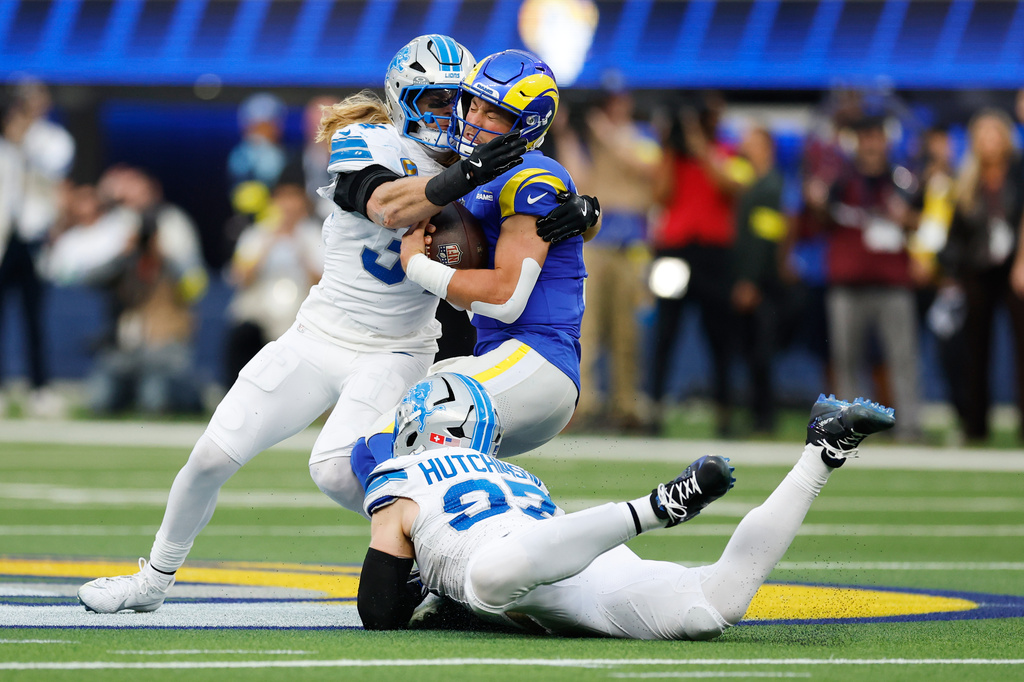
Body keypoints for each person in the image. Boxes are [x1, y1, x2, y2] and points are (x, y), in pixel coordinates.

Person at [75, 35, 595, 614]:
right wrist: (465, 175)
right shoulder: (370, 141)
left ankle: (449, 556)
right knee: (210, 458)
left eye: (459, 101)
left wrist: (580, 215)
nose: (452, 116)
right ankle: (154, 578)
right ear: (403, 100)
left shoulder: (478, 164)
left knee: (336, 467)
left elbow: (531, 208)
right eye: (436, 101)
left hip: (397, 351)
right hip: (317, 334)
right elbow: (388, 206)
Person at [355, 372, 895, 638]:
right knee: (713, 609)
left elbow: (377, 611)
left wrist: (429, 595)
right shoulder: (516, 472)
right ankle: (821, 452)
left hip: (522, 562)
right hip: (581, 561)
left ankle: (657, 507)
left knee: (489, 579)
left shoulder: (399, 473)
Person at [824, 115, 922, 442]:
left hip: (893, 282)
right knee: (847, 359)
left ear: (886, 140)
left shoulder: (903, 179)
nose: (870, 143)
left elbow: (927, 221)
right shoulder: (839, 180)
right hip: (848, 283)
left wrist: (908, 219)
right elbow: (817, 220)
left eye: (875, 136)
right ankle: (851, 430)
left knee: (902, 358)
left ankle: (908, 426)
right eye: (864, 136)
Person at [944, 109, 1024, 441]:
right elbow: (956, 232)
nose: (989, 142)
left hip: (1015, 269)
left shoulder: (1019, 173)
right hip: (977, 271)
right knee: (975, 351)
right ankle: (975, 425)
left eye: (995, 134)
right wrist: (950, 272)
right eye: (983, 135)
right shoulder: (966, 180)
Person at [0, 79, 75, 417]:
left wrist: (23, 137)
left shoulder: (52, 139)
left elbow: (54, 173)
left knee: (34, 318)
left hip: (34, 238)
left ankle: (39, 388)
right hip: (4, 236)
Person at [223, 181, 324, 384]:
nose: (288, 205)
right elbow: (239, 277)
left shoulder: (316, 234)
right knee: (242, 334)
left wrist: (300, 249)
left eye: (294, 198)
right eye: (283, 197)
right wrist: (268, 243)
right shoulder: (257, 233)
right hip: (260, 311)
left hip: (301, 313)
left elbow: (324, 281)